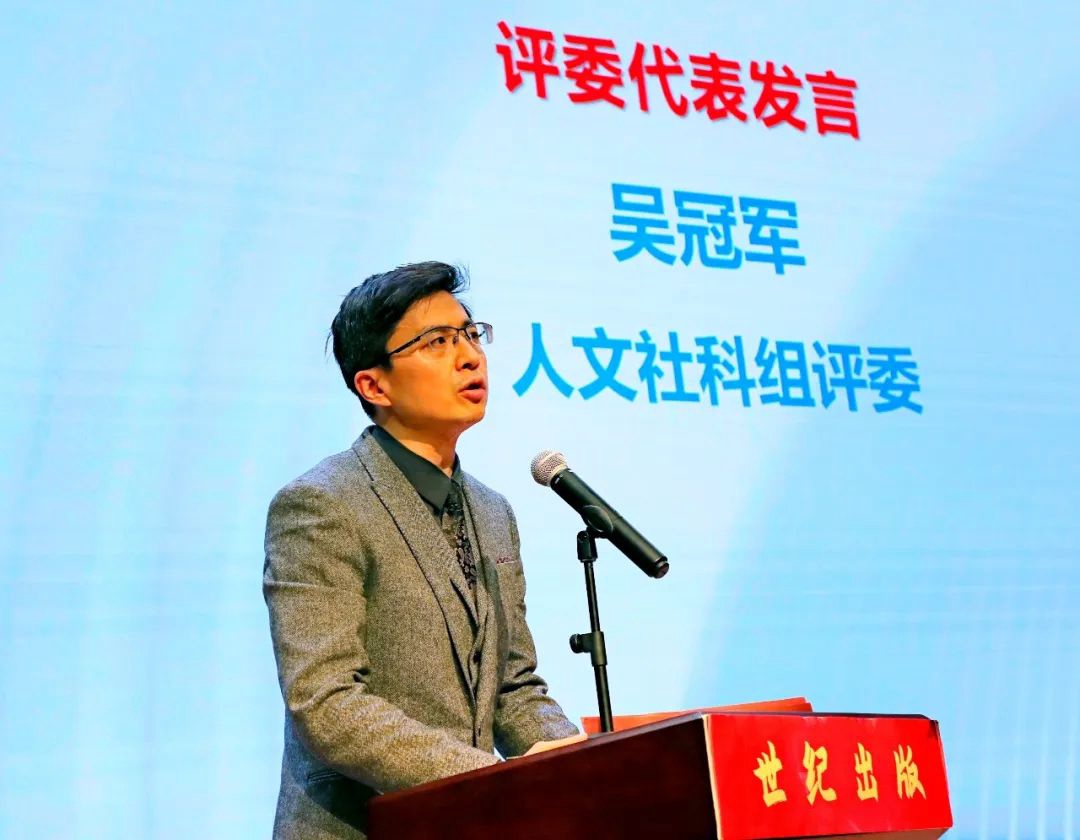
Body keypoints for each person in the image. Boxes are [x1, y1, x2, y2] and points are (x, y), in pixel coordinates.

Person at [263, 262, 580, 839]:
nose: (470, 357)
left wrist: (580, 767)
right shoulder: (321, 505)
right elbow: (326, 702)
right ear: (374, 385)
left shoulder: (493, 512)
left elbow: (512, 687)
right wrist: (490, 780)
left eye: (470, 335)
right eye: (437, 342)